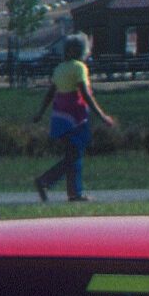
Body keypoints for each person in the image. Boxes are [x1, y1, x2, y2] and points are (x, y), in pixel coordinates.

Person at [35, 31, 119, 203]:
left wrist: (40, 113)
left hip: (59, 118)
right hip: (75, 118)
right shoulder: (79, 68)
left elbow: (50, 94)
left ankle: (73, 192)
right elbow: (85, 94)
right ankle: (48, 182)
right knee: (74, 156)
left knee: (73, 155)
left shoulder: (59, 68)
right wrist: (102, 116)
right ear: (81, 51)